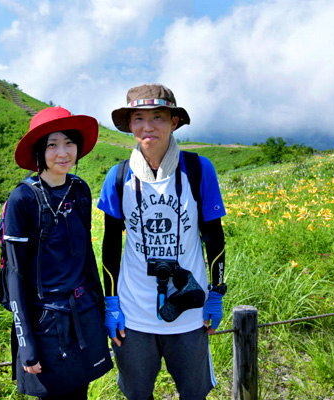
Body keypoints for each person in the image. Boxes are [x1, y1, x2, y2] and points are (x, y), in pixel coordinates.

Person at [97, 84, 227, 400]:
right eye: (138, 118)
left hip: (190, 313)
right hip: (133, 315)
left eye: (158, 117)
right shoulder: (118, 177)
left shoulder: (198, 170)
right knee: (137, 395)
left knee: (194, 394)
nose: (148, 126)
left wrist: (217, 293)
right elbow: (111, 245)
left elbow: (215, 238)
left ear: (174, 122)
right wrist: (111, 303)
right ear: (129, 125)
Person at [2, 107, 113, 399]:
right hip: (46, 322)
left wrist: (103, 312)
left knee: (81, 393)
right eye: (52, 144)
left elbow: (87, 255)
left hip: (84, 312)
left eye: (69, 143)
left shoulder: (80, 190)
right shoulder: (22, 198)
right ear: (39, 150)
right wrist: (25, 341)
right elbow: (14, 274)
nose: (63, 152)